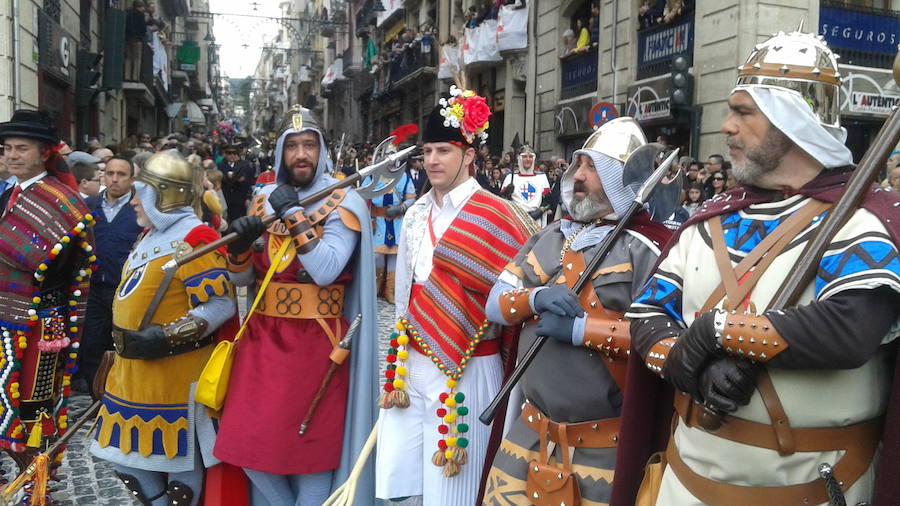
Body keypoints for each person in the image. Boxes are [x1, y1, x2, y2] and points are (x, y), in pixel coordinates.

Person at [616, 30, 900, 505]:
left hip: (813, 491)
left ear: (795, 121)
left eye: (744, 112)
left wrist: (716, 331)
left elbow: (851, 329)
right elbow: (647, 314)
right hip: (682, 488)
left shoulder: (863, 220)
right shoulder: (710, 220)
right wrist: (689, 365)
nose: (726, 126)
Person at [482, 118, 671, 505]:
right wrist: (533, 300)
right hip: (529, 433)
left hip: (606, 447)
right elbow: (494, 304)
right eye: (577, 165)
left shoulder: (648, 250)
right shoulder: (550, 237)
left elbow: (662, 338)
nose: (578, 176)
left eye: (592, 167)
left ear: (620, 178)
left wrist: (582, 329)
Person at [375, 86, 537, 506]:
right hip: (411, 367)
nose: (431, 160)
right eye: (426, 151)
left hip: (469, 368)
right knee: (408, 490)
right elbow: (404, 298)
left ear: (469, 155)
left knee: (456, 494)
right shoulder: (415, 214)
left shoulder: (500, 215)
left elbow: (522, 299)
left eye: (443, 150)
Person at [214, 107, 378, 506]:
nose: (301, 154)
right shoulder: (261, 199)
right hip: (261, 342)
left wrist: (292, 213)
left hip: (317, 344)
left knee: (311, 456)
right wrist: (238, 247)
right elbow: (241, 280)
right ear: (279, 153)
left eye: (309, 145)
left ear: (322, 151)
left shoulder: (343, 201)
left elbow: (325, 270)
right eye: (292, 146)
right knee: (246, 448)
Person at [91, 151, 235, 505]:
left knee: (180, 478)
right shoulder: (149, 235)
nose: (135, 200)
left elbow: (220, 303)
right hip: (132, 375)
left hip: (173, 376)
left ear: (165, 194)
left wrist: (167, 336)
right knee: (127, 464)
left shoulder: (194, 238)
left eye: (143, 192)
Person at [0, 110, 95, 463]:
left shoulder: (61, 201)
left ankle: (36, 491)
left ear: (44, 153)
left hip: (42, 323)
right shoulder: (9, 194)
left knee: (33, 414)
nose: (11, 155)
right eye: (7, 148)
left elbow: (49, 262)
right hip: (6, 320)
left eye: (20, 148)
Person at [78, 156, 143, 388]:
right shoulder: (88, 205)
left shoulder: (140, 208)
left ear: (131, 179)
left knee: (124, 345)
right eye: (110, 173)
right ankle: (96, 396)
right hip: (92, 290)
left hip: (125, 291)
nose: (114, 179)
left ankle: (121, 393)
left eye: (121, 174)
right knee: (92, 343)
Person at [368, 125, 419, 304]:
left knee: (395, 257)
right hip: (378, 221)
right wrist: (370, 216)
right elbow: (364, 196)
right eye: (388, 157)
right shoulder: (373, 175)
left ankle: (391, 291)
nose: (390, 160)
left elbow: (412, 197)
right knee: (377, 256)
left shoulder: (404, 177)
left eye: (393, 157)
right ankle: (375, 289)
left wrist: (401, 208)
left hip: (397, 221)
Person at [501, 144, 551, 223]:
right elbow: (502, 201)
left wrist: (539, 212)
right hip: (516, 219)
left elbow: (548, 200)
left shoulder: (541, 177)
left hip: (536, 219)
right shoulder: (510, 177)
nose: (528, 159)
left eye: (530, 157)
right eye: (524, 157)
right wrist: (507, 193)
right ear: (520, 159)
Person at [219, 143, 252, 222]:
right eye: (229, 153)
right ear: (225, 154)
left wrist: (248, 197)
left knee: (240, 222)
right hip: (226, 198)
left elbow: (247, 183)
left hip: (240, 199)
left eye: (234, 153)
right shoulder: (220, 165)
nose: (232, 156)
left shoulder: (243, 165)